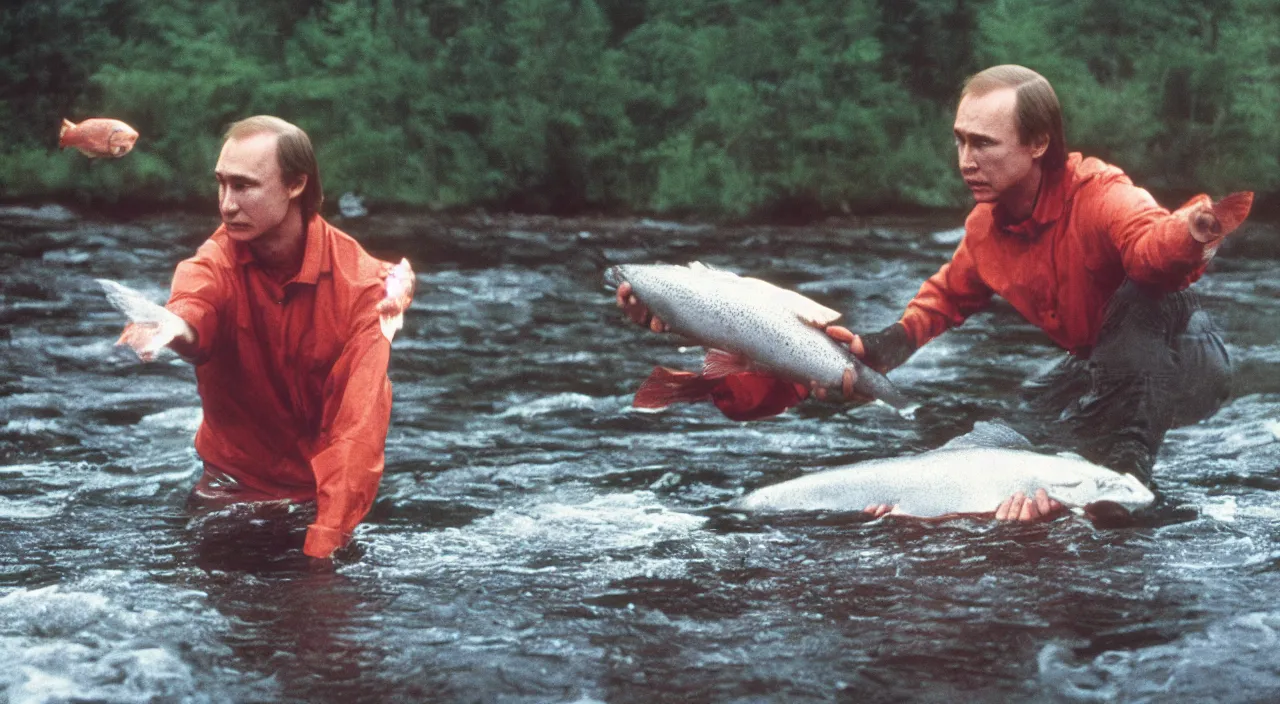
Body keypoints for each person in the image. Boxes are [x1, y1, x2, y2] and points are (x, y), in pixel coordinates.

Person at [617, 65, 1252, 522]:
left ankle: (1127, 492)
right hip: (1098, 372)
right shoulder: (986, 227)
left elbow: (1149, 247)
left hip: (1186, 358)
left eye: (983, 143)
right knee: (997, 438)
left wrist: (1192, 230)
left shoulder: (1102, 194)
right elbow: (939, 303)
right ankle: (922, 503)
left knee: (1142, 294)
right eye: (959, 139)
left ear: (1038, 145)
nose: (965, 159)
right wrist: (873, 350)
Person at [113, 115, 414, 559]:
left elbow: (358, 433)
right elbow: (197, 305)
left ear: (295, 185)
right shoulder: (215, 260)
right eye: (221, 184)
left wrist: (324, 545)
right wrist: (174, 327)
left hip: (318, 497)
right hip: (229, 492)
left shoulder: (365, 290)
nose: (227, 204)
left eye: (244, 186)